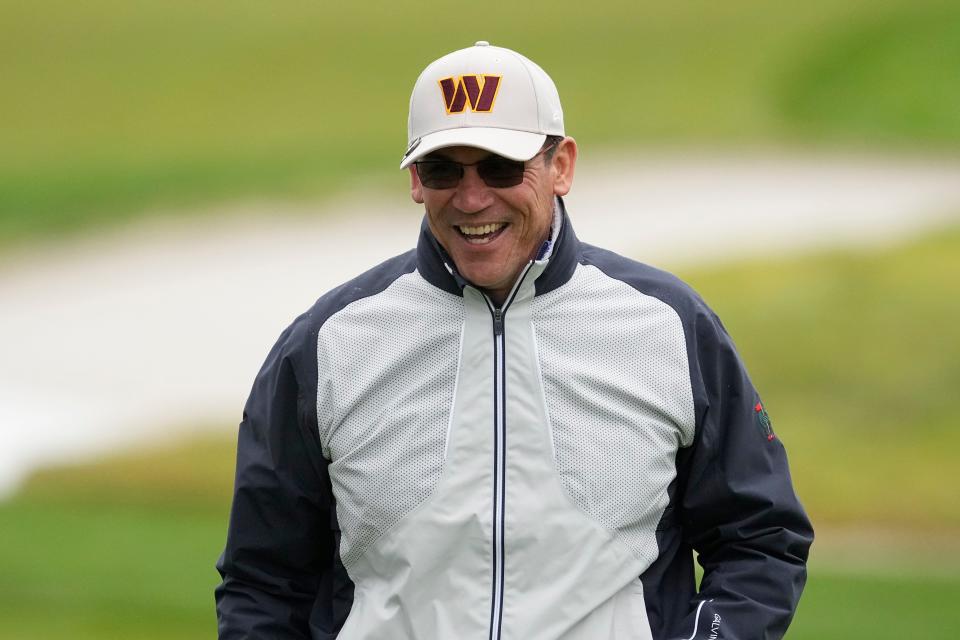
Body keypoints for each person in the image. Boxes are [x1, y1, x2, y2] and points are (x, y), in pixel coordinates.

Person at [215, 41, 813, 639]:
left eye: (501, 168)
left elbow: (759, 538)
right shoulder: (328, 343)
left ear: (562, 167)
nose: (473, 199)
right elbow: (263, 582)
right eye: (444, 169)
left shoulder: (668, 325)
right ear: (415, 180)